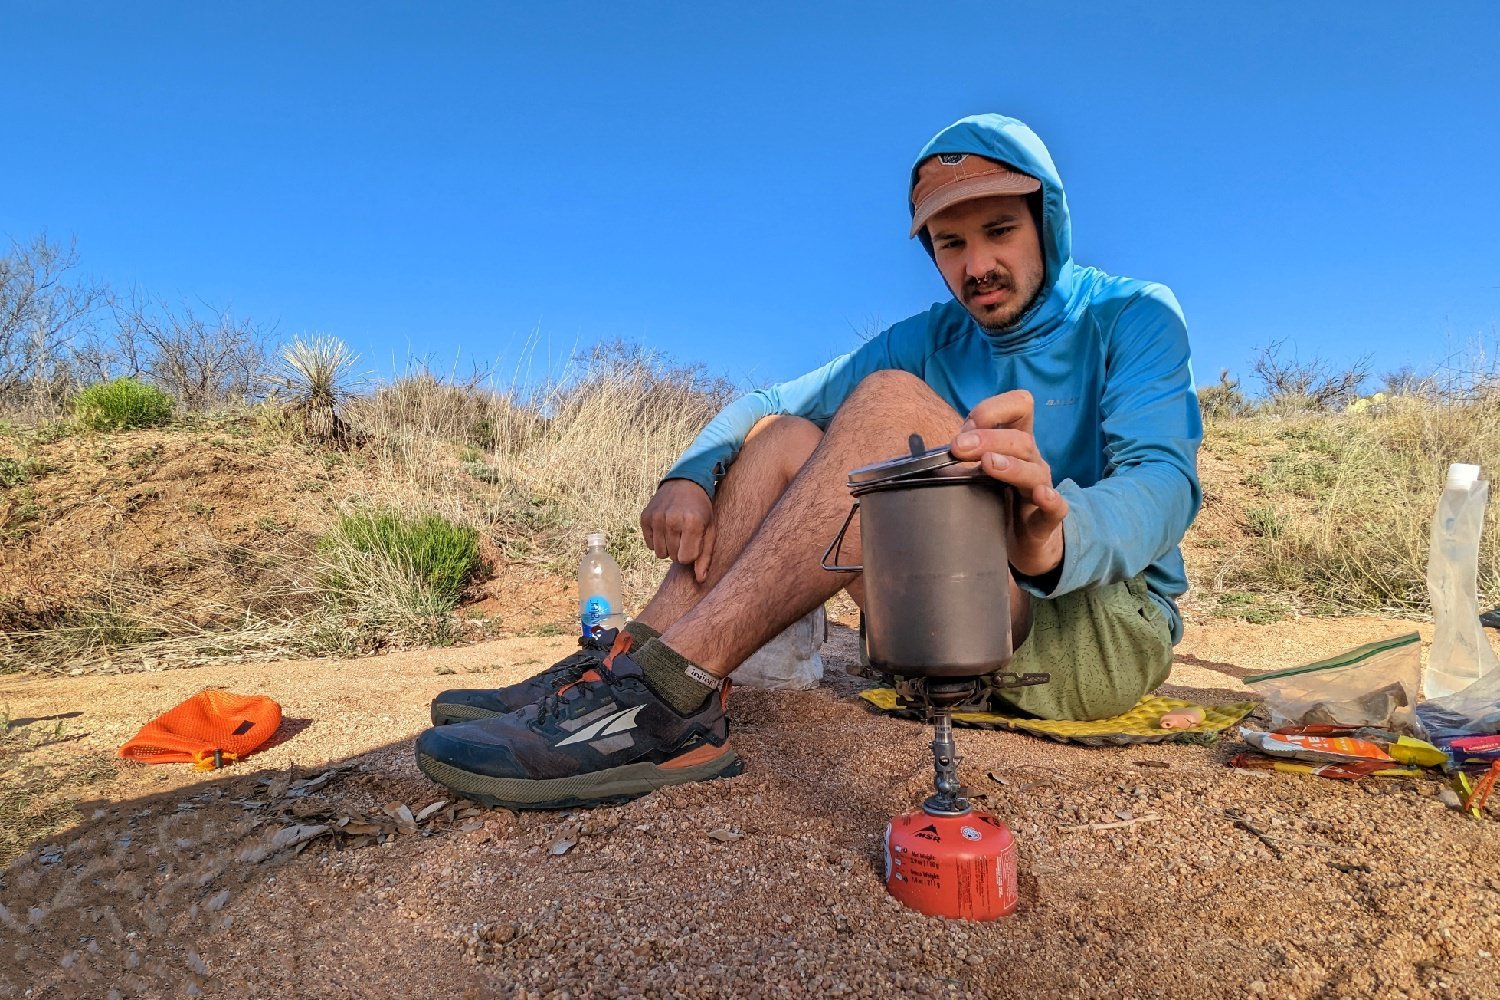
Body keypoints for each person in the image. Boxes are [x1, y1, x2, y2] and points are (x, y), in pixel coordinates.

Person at [415, 113, 1203, 810]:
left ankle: (666, 697)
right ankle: (631, 665)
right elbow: (766, 401)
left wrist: (1057, 535)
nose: (976, 266)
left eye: (1000, 230)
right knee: (787, 436)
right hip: (956, 616)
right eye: (950, 243)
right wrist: (689, 472)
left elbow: (1163, 481)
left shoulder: (1129, 315)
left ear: (1047, 222)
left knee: (889, 402)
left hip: (1097, 629)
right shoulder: (935, 337)